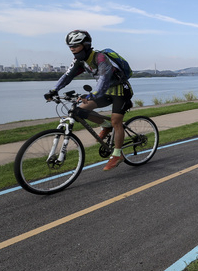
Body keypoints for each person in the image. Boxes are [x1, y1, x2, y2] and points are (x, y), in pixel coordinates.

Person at [45, 30, 133, 171]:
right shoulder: (80, 61)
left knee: (116, 120)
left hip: (120, 91)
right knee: (80, 111)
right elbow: (67, 76)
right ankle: (106, 125)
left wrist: (91, 95)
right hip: (104, 92)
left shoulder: (100, 58)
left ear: (86, 45)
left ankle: (117, 154)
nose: (72, 49)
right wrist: (54, 90)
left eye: (75, 45)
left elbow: (104, 80)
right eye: (70, 46)